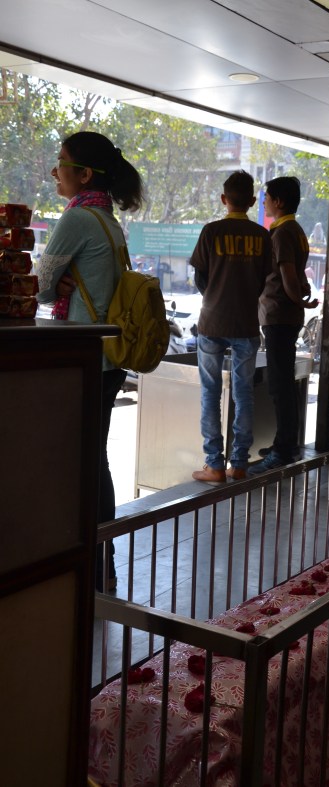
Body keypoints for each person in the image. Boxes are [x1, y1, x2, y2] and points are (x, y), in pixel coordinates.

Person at [36, 131, 144, 592]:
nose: (54, 170)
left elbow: (41, 284)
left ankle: (91, 564)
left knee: (83, 462)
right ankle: (102, 565)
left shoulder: (79, 218)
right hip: (107, 358)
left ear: (83, 174)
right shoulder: (107, 219)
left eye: (61, 162)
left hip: (84, 359)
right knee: (94, 459)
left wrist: (54, 285)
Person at [190, 170, 273, 485]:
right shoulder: (262, 236)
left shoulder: (211, 231)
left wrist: (213, 296)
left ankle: (214, 465)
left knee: (210, 393)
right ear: (252, 201)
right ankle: (238, 464)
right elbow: (264, 278)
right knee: (244, 393)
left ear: (224, 199)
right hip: (246, 324)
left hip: (212, 323)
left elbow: (200, 276)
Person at [248, 176, 318, 475]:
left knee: (280, 385)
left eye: (267, 197)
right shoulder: (296, 230)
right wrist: (300, 295)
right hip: (284, 316)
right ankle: (284, 443)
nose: (264, 202)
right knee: (283, 382)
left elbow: (288, 273)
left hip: (279, 315)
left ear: (278, 201)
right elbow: (297, 275)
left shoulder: (282, 233)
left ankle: (283, 449)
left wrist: (298, 300)